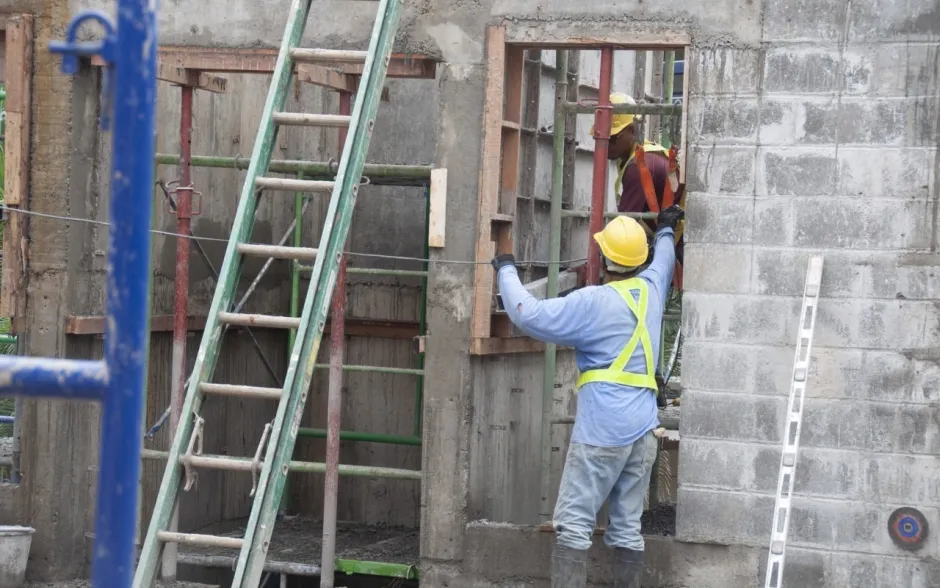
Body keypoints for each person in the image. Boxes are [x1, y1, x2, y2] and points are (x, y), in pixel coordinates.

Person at [490, 204, 684, 588]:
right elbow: (664, 258)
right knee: (628, 529)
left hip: (602, 432)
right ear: (639, 258)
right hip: (644, 431)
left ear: (603, 256)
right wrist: (665, 229)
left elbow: (527, 313)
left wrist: (506, 269)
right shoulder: (653, 288)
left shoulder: (593, 303)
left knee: (575, 527)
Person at [599, 92, 684, 266]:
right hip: (670, 235)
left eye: (612, 138)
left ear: (630, 130)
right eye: (601, 138)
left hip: (680, 240)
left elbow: (623, 228)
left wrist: (596, 260)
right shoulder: (635, 155)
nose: (606, 144)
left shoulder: (638, 167)